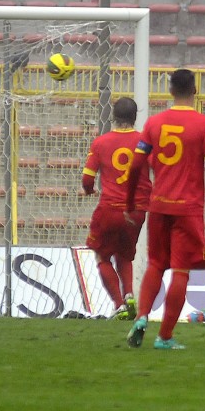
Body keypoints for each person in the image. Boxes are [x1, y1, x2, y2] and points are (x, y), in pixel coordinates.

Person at [125, 69, 205, 350]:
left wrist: (131, 199)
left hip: (159, 205)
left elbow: (136, 165)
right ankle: (165, 337)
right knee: (180, 271)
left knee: (156, 264)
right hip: (187, 208)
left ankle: (142, 317)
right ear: (195, 90)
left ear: (170, 91)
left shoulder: (154, 123)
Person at [82, 97, 152, 321]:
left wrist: (89, 190)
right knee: (124, 256)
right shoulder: (145, 142)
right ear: (135, 117)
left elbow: (87, 178)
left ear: (114, 116)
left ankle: (120, 304)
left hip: (110, 208)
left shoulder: (101, 143)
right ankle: (130, 294)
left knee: (102, 256)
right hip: (137, 210)